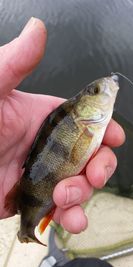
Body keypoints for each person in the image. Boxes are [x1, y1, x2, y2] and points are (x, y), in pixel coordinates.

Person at [0, 17, 125, 234]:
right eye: (94, 92)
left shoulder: (87, 125)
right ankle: (28, 229)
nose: (104, 88)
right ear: (83, 108)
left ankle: (28, 228)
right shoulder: (82, 123)